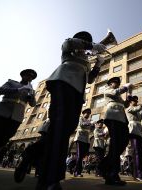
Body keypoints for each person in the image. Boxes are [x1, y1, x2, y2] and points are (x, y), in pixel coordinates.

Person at [37, 31, 106, 190]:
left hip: (77, 92)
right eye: (84, 41)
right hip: (62, 82)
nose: (86, 43)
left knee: (65, 130)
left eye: (88, 41)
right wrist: (92, 45)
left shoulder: (86, 60)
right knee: (59, 127)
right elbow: (67, 42)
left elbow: (90, 80)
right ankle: (50, 178)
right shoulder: (70, 49)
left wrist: (98, 64)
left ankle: (32, 156)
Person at [0, 69, 37, 172]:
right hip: (2, 112)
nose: (29, 78)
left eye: (31, 78)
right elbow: (0, 90)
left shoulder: (31, 89)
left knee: (4, 140)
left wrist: (31, 96)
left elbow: (33, 104)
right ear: (22, 76)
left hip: (16, 117)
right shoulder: (12, 83)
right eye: (28, 76)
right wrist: (18, 90)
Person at [98, 77, 132, 186]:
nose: (117, 84)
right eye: (115, 82)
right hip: (112, 117)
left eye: (118, 83)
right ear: (110, 83)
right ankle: (113, 174)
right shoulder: (108, 90)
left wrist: (129, 92)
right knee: (116, 144)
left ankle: (104, 166)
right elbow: (117, 91)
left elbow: (126, 104)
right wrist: (125, 87)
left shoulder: (118, 96)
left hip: (121, 119)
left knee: (124, 141)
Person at [14, 118, 50, 183]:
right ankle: (26, 162)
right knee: (43, 145)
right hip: (52, 127)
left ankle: (27, 161)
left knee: (42, 145)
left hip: (48, 127)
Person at [125, 95, 142, 181]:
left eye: (136, 101)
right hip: (133, 130)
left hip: (140, 131)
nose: (136, 102)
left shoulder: (137, 110)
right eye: (134, 101)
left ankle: (131, 166)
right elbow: (137, 109)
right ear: (130, 102)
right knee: (137, 152)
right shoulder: (129, 108)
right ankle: (138, 174)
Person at [73, 108, 94, 177]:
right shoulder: (80, 118)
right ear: (83, 113)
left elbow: (91, 129)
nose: (88, 114)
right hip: (80, 138)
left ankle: (71, 165)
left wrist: (93, 126)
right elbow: (82, 125)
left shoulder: (89, 120)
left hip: (86, 139)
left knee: (82, 155)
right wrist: (90, 123)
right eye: (86, 112)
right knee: (79, 155)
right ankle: (77, 172)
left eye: (89, 113)